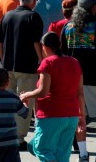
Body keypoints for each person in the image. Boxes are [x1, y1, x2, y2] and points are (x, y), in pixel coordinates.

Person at [62, 0, 96, 161]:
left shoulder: (68, 26)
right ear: (94, 7)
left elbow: (62, 53)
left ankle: (83, 155)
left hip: (73, 79)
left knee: (80, 116)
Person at [19, 32, 85, 162]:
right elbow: (80, 93)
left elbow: (43, 91)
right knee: (62, 154)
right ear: (59, 45)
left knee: (41, 148)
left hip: (52, 114)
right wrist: (82, 116)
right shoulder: (74, 62)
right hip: (71, 115)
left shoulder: (47, 63)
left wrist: (26, 94)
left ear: (44, 46)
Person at [0, 0, 45, 149]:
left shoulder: (7, 16)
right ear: (34, 1)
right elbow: (36, 42)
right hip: (27, 67)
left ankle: (7, 133)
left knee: (8, 101)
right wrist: (42, 61)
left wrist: (3, 61)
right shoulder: (33, 17)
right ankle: (18, 138)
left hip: (8, 66)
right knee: (25, 102)